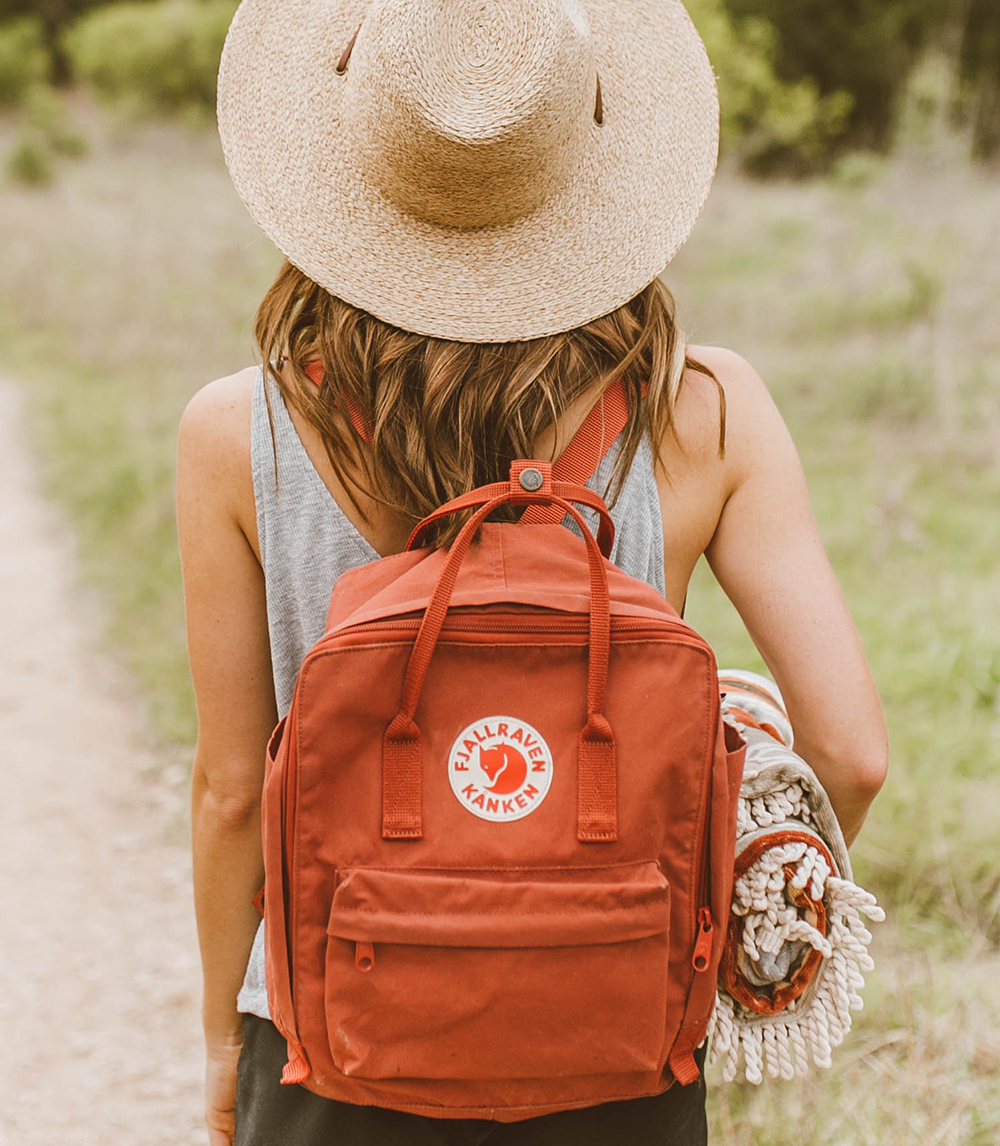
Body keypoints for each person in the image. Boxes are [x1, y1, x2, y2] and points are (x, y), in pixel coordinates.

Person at [176, 0, 889, 1143]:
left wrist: (226, 1044)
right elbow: (849, 754)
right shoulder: (705, 414)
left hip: (330, 1034)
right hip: (617, 1031)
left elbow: (227, 796)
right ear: (591, 168)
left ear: (350, 166)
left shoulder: (237, 431)